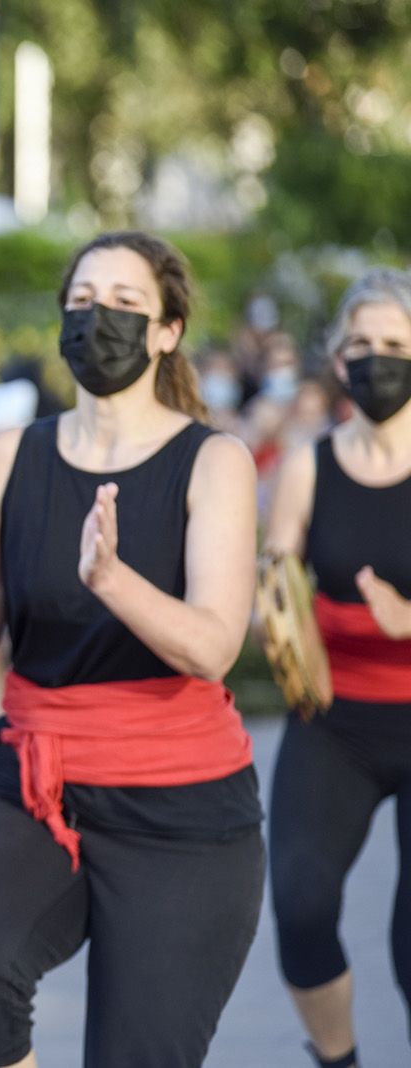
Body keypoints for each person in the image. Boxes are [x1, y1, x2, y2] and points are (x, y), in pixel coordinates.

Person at [0, 231, 265, 1067]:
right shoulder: (9, 454)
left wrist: (113, 580)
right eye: (81, 301)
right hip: (38, 779)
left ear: (167, 331)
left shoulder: (213, 460)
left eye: (124, 303)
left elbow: (214, 647)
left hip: (183, 807)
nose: (97, 317)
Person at [265, 267, 411, 1068]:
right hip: (335, 719)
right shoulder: (308, 465)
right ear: (337, 359)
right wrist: (273, 615)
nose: (377, 359)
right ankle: (338, 1059)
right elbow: (278, 580)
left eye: (395, 345)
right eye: (361, 344)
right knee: (301, 903)